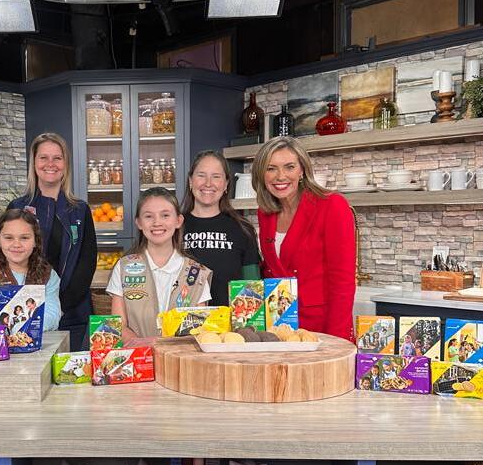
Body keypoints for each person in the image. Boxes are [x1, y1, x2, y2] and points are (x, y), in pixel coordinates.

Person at [252, 136, 355, 342]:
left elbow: (342, 281)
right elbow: (273, 268)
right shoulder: (265, 212)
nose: (280, 176)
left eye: (289, 167)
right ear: (261, 174)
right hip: (279, 326)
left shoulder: (332, 205)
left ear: (302, 170)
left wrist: (337, 341)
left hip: (321, 326)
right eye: (271, 168)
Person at [8, 133, 95, 349]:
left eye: (57, 158)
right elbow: (6, 260)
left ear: (65, 164)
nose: (50, 164)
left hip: (73, 314)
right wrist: (33, 308)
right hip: (26, 313)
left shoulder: (80, 210)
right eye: (43, 157)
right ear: (34, 163)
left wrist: (59, 307)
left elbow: (87, 263)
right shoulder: (17, 208)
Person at [107, 187, 211, 341]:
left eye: (165, 215)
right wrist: (146, 347)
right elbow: (119, 326)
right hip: (139, 355)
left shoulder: (196, 273)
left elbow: (200, 330)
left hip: (181, 356)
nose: (157, 222)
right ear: (139, 223)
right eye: (149, 216)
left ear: (178, 221)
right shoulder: (124, 268)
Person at [181, 150, 260, 306]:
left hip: (230, 320)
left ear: (226, 184)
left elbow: (253, 285)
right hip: (182, 320)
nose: (208, 183)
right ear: (190, 181)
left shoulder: (243, 229)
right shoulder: (174, 227)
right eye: (201, 175)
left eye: (216, 176)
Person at [0, 208, 61, 331]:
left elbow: (52, 315)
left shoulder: (48, 275)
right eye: (9, 238)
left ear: (35, 241)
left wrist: (24, 328)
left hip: (39, 341)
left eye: (24, 238)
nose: (16, 244)